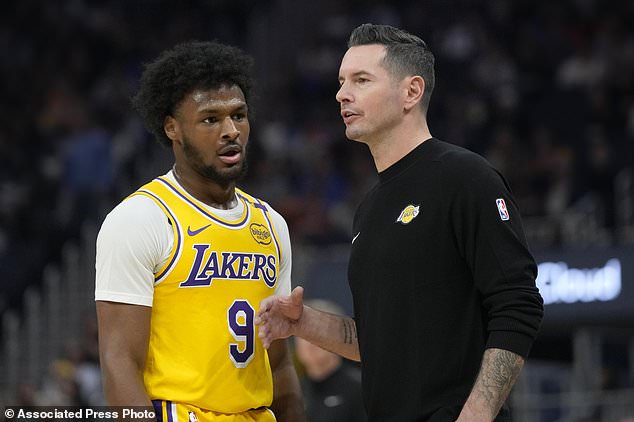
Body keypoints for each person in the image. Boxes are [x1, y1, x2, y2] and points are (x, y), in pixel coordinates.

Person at [256, 24, 544, 422]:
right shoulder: (369, 207)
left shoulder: (465, 177)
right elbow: (378, 341)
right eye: (341, 81)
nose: (342, 93)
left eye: (361, 80)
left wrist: (476, 414)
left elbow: (519, 304)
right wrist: (303, 323)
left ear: (411, 92)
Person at [95, 41, 304, 422]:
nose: (231, 131)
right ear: (172, 127)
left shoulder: (271, 224)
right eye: (211, 119)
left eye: (239, 116)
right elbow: (119, 360)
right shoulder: (141, 218)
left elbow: (278, 364)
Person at [294, 300, 366, 422]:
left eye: (316, 334)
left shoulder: (359, 389)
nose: (309, 343)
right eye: (304, 335)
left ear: (337, 340)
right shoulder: (294, 390)